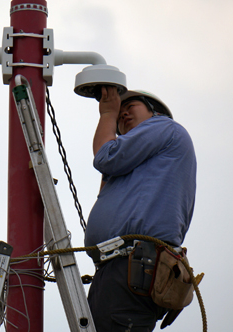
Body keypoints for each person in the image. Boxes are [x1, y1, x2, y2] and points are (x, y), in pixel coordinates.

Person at [84, 86, 197, 331]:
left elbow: (106, 157)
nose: (122, 114)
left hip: (131, 264)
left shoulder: (165, 127)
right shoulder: (146, 161)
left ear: (154, 112)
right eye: (119, 112)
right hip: (120, 268)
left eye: (130, 107)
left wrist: (107, 115)